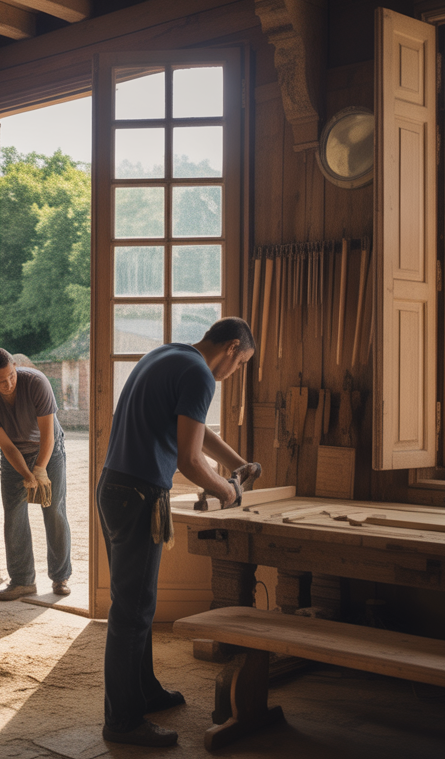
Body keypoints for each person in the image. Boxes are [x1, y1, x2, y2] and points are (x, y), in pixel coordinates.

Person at [97, 317, 259, 748]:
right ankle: (122, 721)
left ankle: (144, 690)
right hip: (139, 494)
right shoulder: (200, 375)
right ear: (231, 347)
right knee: (132, 611)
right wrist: (227, 490)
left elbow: (194, 430)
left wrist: (238, 465)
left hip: (114, 487)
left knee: (137, 604)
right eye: (241, 363)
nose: (236, 372)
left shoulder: (169, 354)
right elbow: (189, 460)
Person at [0, 348, 72, 600]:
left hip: (48, 449)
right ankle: (22, 581)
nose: (8, 384)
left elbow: (48, 436)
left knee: (54, 510)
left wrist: (39, 469)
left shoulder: (37, 383)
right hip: (14, 455)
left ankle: (60, 577)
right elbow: (7, 447)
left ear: (15, 367)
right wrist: (26, 475)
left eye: (11, 376)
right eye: (0, 381)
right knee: (14, 515)